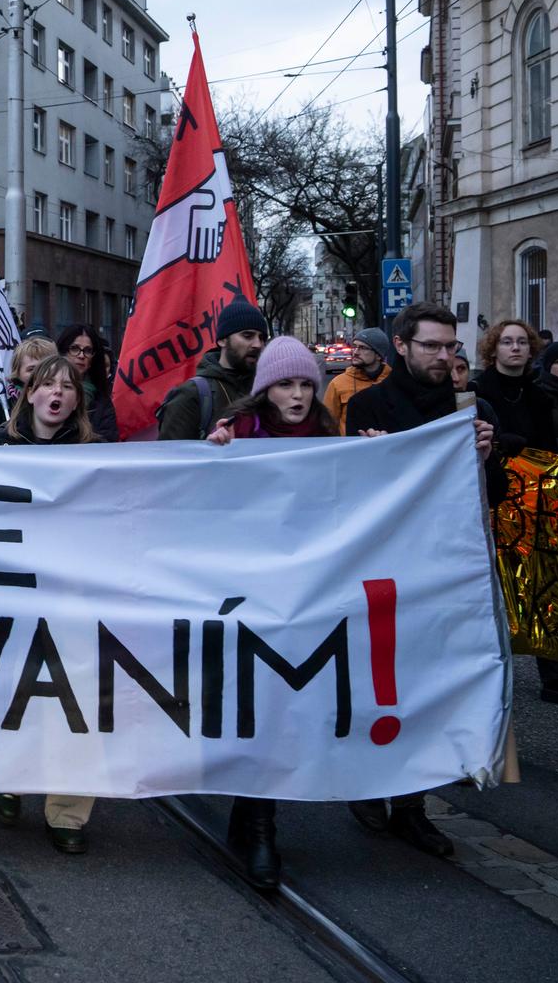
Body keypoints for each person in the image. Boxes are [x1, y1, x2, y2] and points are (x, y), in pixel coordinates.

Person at [342, 303, 497, 859]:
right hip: (384, 566)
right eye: (431, 345)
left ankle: (412, 804)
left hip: (445, 567)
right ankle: (365, 782)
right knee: (377, 681)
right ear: (402, 346)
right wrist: (375, 457)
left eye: (450, 346)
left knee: (426, 687)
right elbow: (350, 491)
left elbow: (494, 494)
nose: (443, 356)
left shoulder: (469, 406)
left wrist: (486, 457)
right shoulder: (368, 404)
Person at [200, 335, 336, 888]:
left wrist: (377, 456)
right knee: (252, 705)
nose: (298, 395)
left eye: (306, 384)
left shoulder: (331, 438)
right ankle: (258, 827)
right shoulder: (236, 434)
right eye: (285, 385)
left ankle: (255, 822)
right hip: (244, 595)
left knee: (283, 708)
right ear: (265, 390)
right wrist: (211, 456)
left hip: (305, 597)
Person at [0, 354, 103, 855]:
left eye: (68, 387)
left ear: (77, 401)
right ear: (29, 393)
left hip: (74, 599)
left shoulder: (99, 456)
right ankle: (10, 779)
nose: (57, 393)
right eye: (48, 384)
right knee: (17, 691)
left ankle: (68, 811)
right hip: (13, 594)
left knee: (76, 699)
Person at [155, 299, 268, 441]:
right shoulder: (190, 395)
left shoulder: (267, 390)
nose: (258, 344)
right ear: (222, 340)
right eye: (247, 336)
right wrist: (210, 448)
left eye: (262, 338)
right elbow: (172, 453)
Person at [472, 320, 556, 459]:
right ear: (493, 350)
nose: (516, 348)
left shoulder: (539, 396)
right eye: (507, 342)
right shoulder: (476, 391)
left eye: (522, 342)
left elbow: (549, 449)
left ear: (530, 351)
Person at [0, 336, 57, 438]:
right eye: (31, 369)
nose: (40, 374)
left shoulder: (68, 413)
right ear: (17, 373)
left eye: (46, 368)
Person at [55, 324, 118, 443]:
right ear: (62, 352)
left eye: (88, 351)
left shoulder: (102, 401)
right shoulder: (47, 392)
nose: (81, 355)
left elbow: (108, 441)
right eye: (74, 348)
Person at [323, 327, 391, 434]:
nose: (356, 352)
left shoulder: (393, 382)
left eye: (363, 348)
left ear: (378, 355)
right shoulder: (338, 383)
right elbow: (327, 426)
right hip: (350, 444)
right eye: (354, 346)